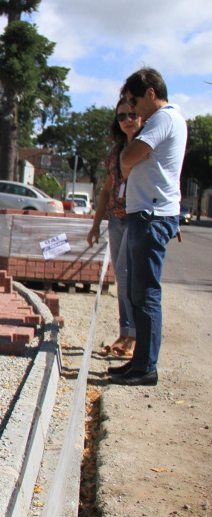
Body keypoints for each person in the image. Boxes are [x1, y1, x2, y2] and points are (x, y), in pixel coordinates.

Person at [110, 68, 187, 386]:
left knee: (146, 294)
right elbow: (127, 162)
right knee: (138, 293)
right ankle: (140, 362)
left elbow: (129, 157)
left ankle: (145, 368)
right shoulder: (162, 120)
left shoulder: (163, 119)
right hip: (146, 215)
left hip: (151, 216)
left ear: (151, 94)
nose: (133, 109)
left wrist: (129, 157)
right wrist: (128, 160)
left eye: (134, 101)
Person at [87, 99, 142, 359]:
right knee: (122, 277)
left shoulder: (146, 147)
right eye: (121, 116)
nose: (127, 120)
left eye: (133, 114)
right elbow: (106, 191)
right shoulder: (116, 151)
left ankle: (134, 336)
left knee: (129, 276)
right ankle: (126, 331)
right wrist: (96, 224)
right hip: (116, 220)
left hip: (137, 219)